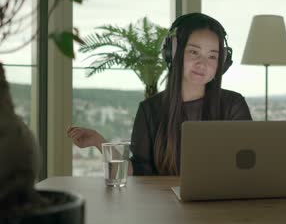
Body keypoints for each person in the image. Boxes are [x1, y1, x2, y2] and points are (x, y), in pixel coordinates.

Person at [68, 13, 252, 176]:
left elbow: (249, 166)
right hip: (165, 208)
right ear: (172, 53)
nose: (202, 63)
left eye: (212, 56)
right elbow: (138, 173)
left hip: (222, 207)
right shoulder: (150, 109)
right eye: (193, 52)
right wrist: (99, 142)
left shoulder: (233, 104)